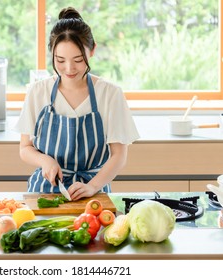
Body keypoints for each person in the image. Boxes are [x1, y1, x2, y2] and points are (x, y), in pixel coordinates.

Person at [14, 7, 139, 200]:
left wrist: (92, 186)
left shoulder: (110, 94)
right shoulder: (37, 92)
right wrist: (45, 160)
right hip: (45, 192)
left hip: (94, 193)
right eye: (60, 60)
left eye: (78, 60)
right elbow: (25, 148)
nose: (69, 69)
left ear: (93, 50)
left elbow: (119, 156)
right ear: (52, 54)